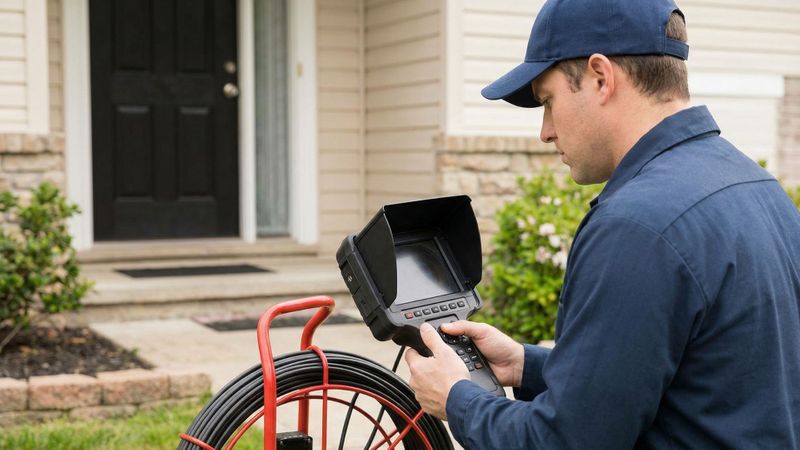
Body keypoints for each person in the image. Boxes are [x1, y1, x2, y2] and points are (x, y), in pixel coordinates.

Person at [404, 0, 800, 448]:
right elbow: (704, 379)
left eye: (548, 101)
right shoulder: (761, 188)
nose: (546, 131)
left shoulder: (637, 225)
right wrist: (527, 365)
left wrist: (457, 398)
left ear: (600, 76)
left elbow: (564, 442)